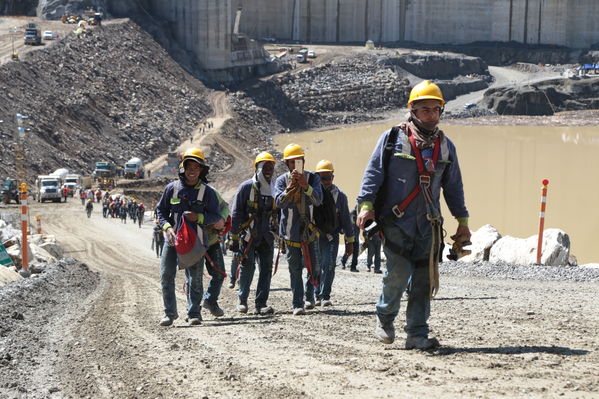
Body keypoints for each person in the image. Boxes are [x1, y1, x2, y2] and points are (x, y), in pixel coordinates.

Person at [356, 80, 470, 349]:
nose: (431, 115)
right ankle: (384, 318)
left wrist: (463, 222)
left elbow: (454, 187)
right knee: (398, 273)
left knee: (423, 279)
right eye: (425, 109)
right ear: (413, 111)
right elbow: (373, 174)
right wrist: (366, 206)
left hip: (429, 225)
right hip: (396, 222)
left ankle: (417, 334)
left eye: (436, 109)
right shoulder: (392, 139)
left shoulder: (445, 147)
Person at [155, 148, 225, 326]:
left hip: (196, 242)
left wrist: (199, 218)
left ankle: (194, 313)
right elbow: (160, 211)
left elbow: (216, 217)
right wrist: (167, 227)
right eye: (189, 166)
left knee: (195, 278)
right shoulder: (172, 189)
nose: (192, 170)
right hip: (173, 240)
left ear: (202, 169)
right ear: (183, 168)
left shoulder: (207, 192)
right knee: (166, 275)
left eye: (196, 166)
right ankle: (169, 313)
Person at [274, 143, 322, 315]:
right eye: (292, 162)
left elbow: (317, 200)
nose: (295, 165)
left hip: (309, 231)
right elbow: (279, 203)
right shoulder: (281, 181)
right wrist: (290, 188)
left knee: (314, 267)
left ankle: (310, 297)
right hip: (290, 232)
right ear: (287, 164)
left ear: (303, 161)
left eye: (298, 161)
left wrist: (305, 186)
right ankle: (297, 303)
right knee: (294, 269)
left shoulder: (313, 179)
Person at [229, 152, 278, 315]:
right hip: (249, 236)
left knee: (266, 269)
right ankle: (242, 301)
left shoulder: (274, 189)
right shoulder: (246, 187)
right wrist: (234, 238)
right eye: (265, 167)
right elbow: (235, 213)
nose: (268, 170)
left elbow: (279, 213)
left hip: (267, 237)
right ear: (257, 168)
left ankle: (261, 304)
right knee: (247, 267)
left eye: (271, 167)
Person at [311, 160, 354, 307]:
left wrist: (350, 240)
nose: (325, 182)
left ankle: (325, 296)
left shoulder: (340, 196)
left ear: (332, 177)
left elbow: (346, 220)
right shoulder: (310, 194)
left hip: (331, 237)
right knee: (315, 265)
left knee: (329, 266)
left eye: (327, 177)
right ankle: (314, 294)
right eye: (321, 178)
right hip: (314, 236)